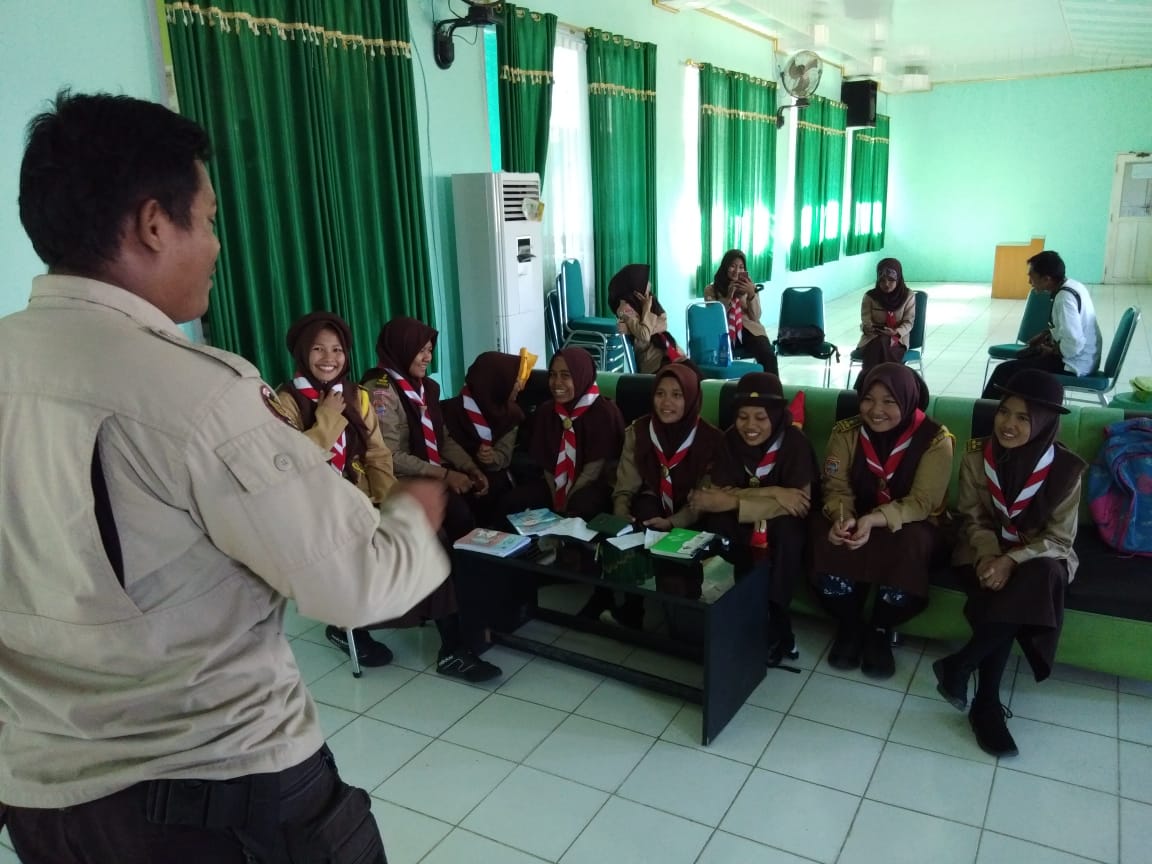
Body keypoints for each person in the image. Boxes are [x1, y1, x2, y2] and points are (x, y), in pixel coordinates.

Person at [0, 91, 448, 863]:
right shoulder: (199, 394)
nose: (215, 244)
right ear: (150, 224)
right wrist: (413, 512)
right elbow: (355, 585)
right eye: (206, 221)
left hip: (45, 805)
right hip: (220, 801)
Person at [935, 370, 1085, 757]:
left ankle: (965, 669)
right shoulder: (976, 457)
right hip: (980, 550)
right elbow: (973, 518)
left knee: (1040, 576)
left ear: (1045, 424)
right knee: (1003, 590)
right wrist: (989, 556)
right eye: (1005, 412)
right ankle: (984, 705)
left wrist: (1011, 560)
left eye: (1024, 418)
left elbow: (1058, 539)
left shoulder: (1066, 470)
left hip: (1039, 556)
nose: (1009, 424)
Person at [360, 317, 501, 682]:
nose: (427, 356)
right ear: (402, 347)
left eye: (429, 350)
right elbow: (388, 455)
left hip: (424, 482)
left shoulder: (425, 387)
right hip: (386, 489)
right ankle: (451, 650)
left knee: (467, 525)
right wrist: (443, 474)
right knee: (433, 545)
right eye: (422, 350)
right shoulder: (378, 388)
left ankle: (467, 620)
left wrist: (469, 469)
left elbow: (443, 439)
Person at [811, 363, 953, 679]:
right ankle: (849, 623)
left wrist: (876, 519)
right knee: (825, 534)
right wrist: (843, 518)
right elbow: (835, 487)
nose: (876, 410)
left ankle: (880, 628)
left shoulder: (935, 439)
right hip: (858, 515)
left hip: (909, 522)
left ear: (907, 400)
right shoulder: (846, 432)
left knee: (910, 543)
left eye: (889, 401)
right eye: (868, 399)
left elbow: (922, 502)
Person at [691, 372, 817, 666]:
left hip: (783, 525)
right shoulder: (729, 441)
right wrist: (775, 491)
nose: (750, 426)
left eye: (761, 417)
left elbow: (798, 504)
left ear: (775, 415)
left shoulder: (794, 442)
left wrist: (735, 501)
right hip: (741, 519)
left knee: (787, 531)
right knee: (719, 523)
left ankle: (774, 615)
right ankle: (732, 608)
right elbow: (716, 496)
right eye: (743, 416)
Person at [600, 363, 723, 624]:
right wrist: (620, 512)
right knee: (637, 520)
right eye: (660, 393)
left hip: (694, 513)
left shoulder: (711, 440)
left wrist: (673, 522)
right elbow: (626, 483)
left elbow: (704, 498)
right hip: (653, 504)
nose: (666, 403)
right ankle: (632, 609)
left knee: (675, 567)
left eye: (677, 395)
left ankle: (682, 609)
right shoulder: (640, 430)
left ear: (690, 398)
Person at [502, 347, 625, 520]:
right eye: (553, 374)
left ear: (581, 375)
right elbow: (547, 465)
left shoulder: (604, 412)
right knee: (514, 502)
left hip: (595, 484)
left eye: (566, 376)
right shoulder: (547, 410)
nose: (556, 382)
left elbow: (594, 470)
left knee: (580, 506)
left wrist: (565, 502)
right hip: (555, 483)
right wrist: (555, 499)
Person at [982, 250, 1101, 399]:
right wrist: (1047, 334)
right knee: (1020, 363)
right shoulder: (1073, 285)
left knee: (1004, 371)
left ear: (1047, 279)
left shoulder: (1064, 299)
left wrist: (1052, 351)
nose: (1029, 282)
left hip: (1074, 364)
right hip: (1083, 359)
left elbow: (1074, 343)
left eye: (1031, 277)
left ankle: (984, 414)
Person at [440, 350, 527, 521]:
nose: (519, 386)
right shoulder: (447, 411)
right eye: (514, 380)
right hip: (457, 475)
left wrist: (492, 458)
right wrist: (471, 467)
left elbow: (503, 456)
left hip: (493, 477)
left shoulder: (512, 414)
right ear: (496, 382)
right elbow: (444, 446)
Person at [704, 248, 778, 375]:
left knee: (768, 356)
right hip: (725, 333)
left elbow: (756, 316)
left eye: (741, 267)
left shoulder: (749, 286)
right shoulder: (711, 289)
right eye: (732, 266)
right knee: (717, 360)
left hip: (750, 330)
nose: (737, 271)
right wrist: (728, 297)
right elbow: (714, 317)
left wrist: (751, 294)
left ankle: (773, 391)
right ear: (725, 267)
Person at [607, 263, 684, 373]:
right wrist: (646, 310)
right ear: (635, 284)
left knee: (692, 372)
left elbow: (664, 323)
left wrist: (633, 330)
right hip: (651, 359)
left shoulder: (647, 299)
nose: (649, 284)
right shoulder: (625, 308)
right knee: (683, 375)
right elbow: (645, 335)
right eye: (645, 281)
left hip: (667, 349)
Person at [854, 257, 915, 389]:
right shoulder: (870, 296)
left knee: (883, 343)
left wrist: (896, 332)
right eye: (882, 280)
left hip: (898, 340)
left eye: (891, 280)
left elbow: (908, 322)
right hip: (872, 338)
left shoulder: (908, 296)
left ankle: (866, 384)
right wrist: (868, 328)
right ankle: (893, 386)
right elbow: (866, 321)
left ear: (898, 279)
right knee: (881, 342)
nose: (886, 284)